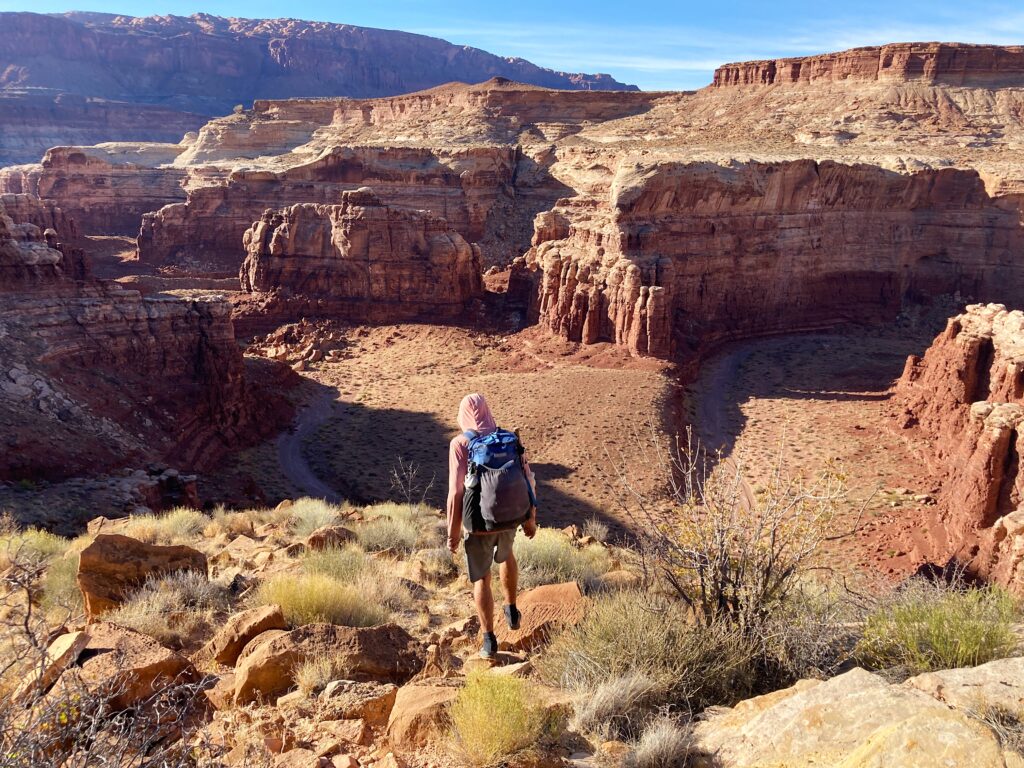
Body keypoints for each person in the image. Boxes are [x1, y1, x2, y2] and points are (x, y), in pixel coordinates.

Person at [446, 393, 537, 659]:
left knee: (482, 578)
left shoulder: (460, 444)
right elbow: (528, 478)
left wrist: (452, 534)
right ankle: (511, 607)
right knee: (507, 555)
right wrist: (531, 518)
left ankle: (489, 639)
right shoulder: (508, 439)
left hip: (478, 523)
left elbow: (455, 493)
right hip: (510, 517)